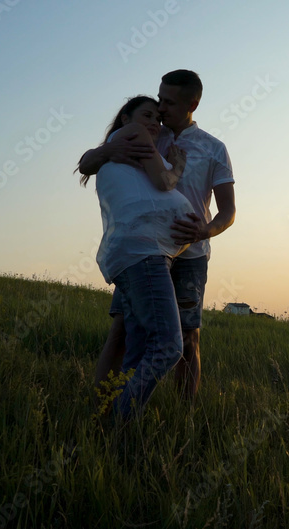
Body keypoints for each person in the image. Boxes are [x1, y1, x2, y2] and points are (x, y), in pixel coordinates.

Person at [80, 70, 236, 405]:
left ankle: (185, 415)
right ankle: (101, 407)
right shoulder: (149, 132)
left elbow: (228, 212)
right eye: (159, 98)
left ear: (192, 104)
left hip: (190, 254)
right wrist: (107, 154)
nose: (161, 107)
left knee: (187, 338)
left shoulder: (214, 149)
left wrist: (204, 231)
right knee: (121, 331)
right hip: (144, 252)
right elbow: (90, 161)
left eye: (169, 102)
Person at [78, 95, 192, 420]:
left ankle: (116, 428)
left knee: (138, 348)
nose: (154, 124)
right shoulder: (134, 136)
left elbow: (88, 163)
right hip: (144, 252)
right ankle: (118, 419)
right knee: (169, 347)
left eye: (158, 119)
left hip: (140, 253)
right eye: (147, 115)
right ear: (126, 117)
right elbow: (163, 181)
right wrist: (178, 166)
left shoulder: (118, 149)